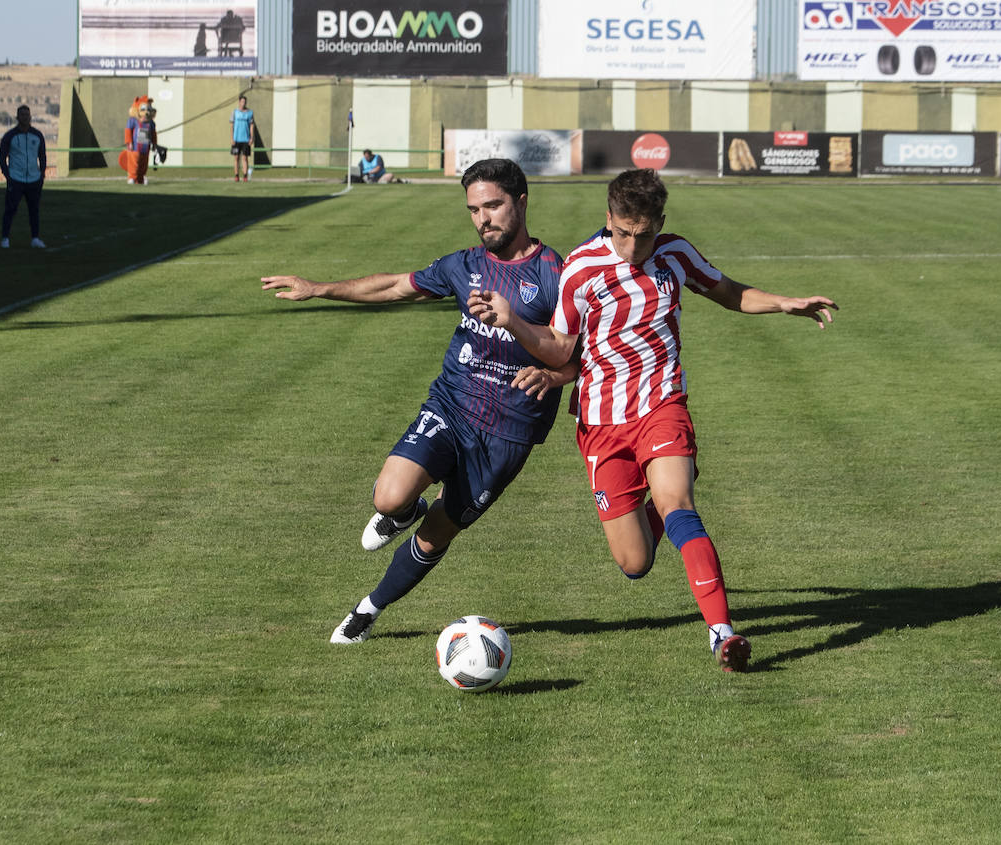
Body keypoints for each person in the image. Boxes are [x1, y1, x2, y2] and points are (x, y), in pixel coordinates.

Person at [468, 168, 838, 672]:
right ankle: (665, 507)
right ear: (609, 219)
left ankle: (722, 632)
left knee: (678, 502)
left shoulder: (676, 254)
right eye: (623, 233)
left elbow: (728, 291)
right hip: (600, 421)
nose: (633, 246)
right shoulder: (580, 267)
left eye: (644, 236)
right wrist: (513, 321)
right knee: (635, 563)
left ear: (659, 223)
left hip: (662, 405)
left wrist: (782, 303)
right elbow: (560, 347)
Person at [260, 158, 566, 645]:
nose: (483, 218)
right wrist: (320, 289)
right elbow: (396, 285)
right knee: (388, 496)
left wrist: (553, 374)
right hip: (453, 404)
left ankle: (368, 609)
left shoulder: (558, 275)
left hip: (509, 432)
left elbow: (580, 353)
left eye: (493, 205)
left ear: (521, 202)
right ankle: (401, 511)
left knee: (438, 532)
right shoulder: (463, 266)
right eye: (473, 209)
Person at [0, 104, 46, 249]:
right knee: (10, 209)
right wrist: (8, 175)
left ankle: (35, 238)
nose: (25, 117)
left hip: (33, 179)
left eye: (27, 115)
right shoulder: (10, 136)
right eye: (22, 115)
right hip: (16, 179)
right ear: (17, 117)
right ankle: (5, 238)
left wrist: (41, 174)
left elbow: (42, 156)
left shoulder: (37, 135)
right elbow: (2, 157)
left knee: (34, 210)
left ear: (30, 117)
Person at [125, 101, 157, 186]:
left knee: (144, 163)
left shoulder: (151, 123)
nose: (146, 112)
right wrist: (129, 142)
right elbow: (128, 131)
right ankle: (132, 177)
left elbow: (153, 134)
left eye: (148, 109)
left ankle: (141, 178)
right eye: (143, 109)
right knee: (134, 162)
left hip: (145, 147)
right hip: (135, 147)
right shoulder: (133, 121)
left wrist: (154, 144)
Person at [231, 96, 254, 182]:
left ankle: (245, 176)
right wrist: (232, 138)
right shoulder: (235, 112)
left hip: (245, 139)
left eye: (245, 102)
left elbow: (251, 126)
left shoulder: (250, 113)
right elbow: (231, 126)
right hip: (236, 139)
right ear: (239, 102)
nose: (243, 103)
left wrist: (251, 138)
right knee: (236, 157)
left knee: (245, 158)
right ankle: (236, 175)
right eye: (242, 101)